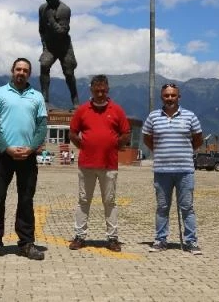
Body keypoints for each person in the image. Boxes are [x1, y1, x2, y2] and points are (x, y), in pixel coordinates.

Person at [0, 58, 48, 261]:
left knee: (26, 199)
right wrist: (6, 148)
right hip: (4, 155)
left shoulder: (37, 96)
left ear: (29, 74)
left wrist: (31, 148)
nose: (21, 72)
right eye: (18, 69)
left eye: (25, 70)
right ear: (12, 71)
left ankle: (26, 243)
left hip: (28, 156)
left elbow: (42, 126)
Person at [68, 75, 131, 252]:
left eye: (103, 90)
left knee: (109, 202)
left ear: (108, 89)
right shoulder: (82, 110)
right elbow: (72, 133)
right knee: (83, 201)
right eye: (97, 90)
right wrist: (84, 146)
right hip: (86, 164)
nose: (100, 94)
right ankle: (79, 236)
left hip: (109, 164)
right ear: (91, 90)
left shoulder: (117, 110)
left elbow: (126, 133)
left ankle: (112, 238)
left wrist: (114, 145)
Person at [142, 83, 203, 254]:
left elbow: (198, 138)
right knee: (162, 207)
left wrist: (185, 151)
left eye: (173, 95)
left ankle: (191, 241)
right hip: (162, 171)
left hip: (185, 170)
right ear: (162, 97)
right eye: (166, 95)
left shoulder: (190, 116)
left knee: (187, 207)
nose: (170, 98)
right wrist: (159, 151)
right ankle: (160, 240)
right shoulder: (153, 117)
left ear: (179, 97)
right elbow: (146, 138)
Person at [38, 0, 79, 108]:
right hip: (50, 46)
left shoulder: (64, 10)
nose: (49, 0)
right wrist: (44, 45)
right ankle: (44, 99)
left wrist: (51, 20)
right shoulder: (42, 9)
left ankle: (75, 99)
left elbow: (62, 31)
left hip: (64, 47)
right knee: (44, 65)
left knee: (69, 73)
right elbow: (41, 29)